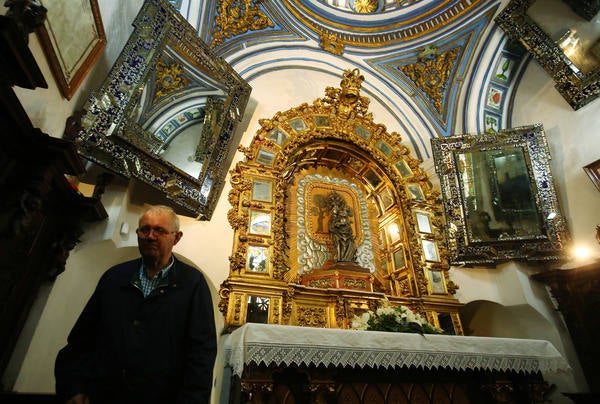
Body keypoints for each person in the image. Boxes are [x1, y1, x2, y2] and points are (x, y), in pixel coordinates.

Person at [55, 205, 217, 404]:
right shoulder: (114, 277)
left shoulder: (193, 284)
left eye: (159, 230)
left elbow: (201, 353)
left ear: (176, 237)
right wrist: (74, 388)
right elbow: (83, 338)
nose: (150, 236)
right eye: (144, 229)